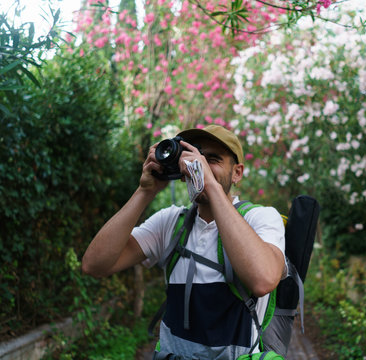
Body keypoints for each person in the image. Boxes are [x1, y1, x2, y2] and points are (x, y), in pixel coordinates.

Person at [82, 125, 286, 360]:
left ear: (237, 172)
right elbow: (94, 265)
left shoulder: (259, 218)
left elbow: (263, 280)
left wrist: (209, 183)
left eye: (213, 159)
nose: (200, 165)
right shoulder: (171, 222)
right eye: (195, 156)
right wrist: (145, 191)